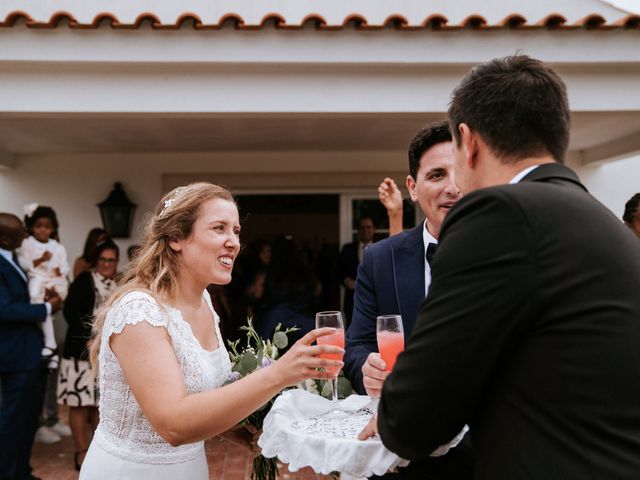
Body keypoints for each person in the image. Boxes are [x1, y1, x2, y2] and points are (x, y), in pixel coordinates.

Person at [359, 56, 640, 479]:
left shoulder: (500, 213)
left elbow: (414, 420)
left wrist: (396, 409)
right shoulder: (599, 220)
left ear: (468, 143)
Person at [80, 183, 343, 479]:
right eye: (219, 228)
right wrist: (280, 373)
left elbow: (194, 392)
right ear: (177, 237)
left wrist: (228, 424)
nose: (233, 242)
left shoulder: (204, 301)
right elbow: (173, 424)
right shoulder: (140, 312)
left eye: (236, 231)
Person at [344, 121, 461, 397]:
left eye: (461, 173)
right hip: (407, 419)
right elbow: (357, 346)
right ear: (413, 187)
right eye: (437, 175)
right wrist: (367, 370)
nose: (453, 188)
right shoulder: (379, 259)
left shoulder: (512, 252)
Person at [0, 213, 62, 480]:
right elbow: (5, 309)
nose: (25, 235)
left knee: (28, 420)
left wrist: (44, 296)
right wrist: (47, 308)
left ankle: (22, 472)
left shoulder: (14, 258)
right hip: (14, 355)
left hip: (31, 353)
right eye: (19, 233)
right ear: (4, 238)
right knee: (13, 421)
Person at [58, 241, 120, 470]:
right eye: (103, 259)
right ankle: (81, 452)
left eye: (111, 260)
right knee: (79, 403)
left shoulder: (118, 283)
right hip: (81, 352)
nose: (106, 264)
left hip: (106, 354)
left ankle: (97, 453)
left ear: (116, 262)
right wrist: (86, 337)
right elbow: (70, 311)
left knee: (97, 404)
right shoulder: (85, 280)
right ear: (96, 260)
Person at [17, 205, 70, 370]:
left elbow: (65, 268)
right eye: (38, 226)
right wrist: (40, 259)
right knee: (36, 298)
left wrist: (55, 268)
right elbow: (24, 264)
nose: (42, 231)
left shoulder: (58, 247)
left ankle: (50, 346)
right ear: (32, 227)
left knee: (46, 306)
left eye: (47, 227)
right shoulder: (26, 244)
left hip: (54, 281)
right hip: (37, 278)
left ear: (53, 229)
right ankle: (51, 346)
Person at [335, 216, 375, 324]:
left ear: (373, 229)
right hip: (352, 302)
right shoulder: (347, 249)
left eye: (368, 227)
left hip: (376, 301)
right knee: (352, 333)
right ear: (358, 230)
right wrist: (346, 280)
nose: (365, 230)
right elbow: (337, 271)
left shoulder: (381, 247)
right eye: (362, 227)